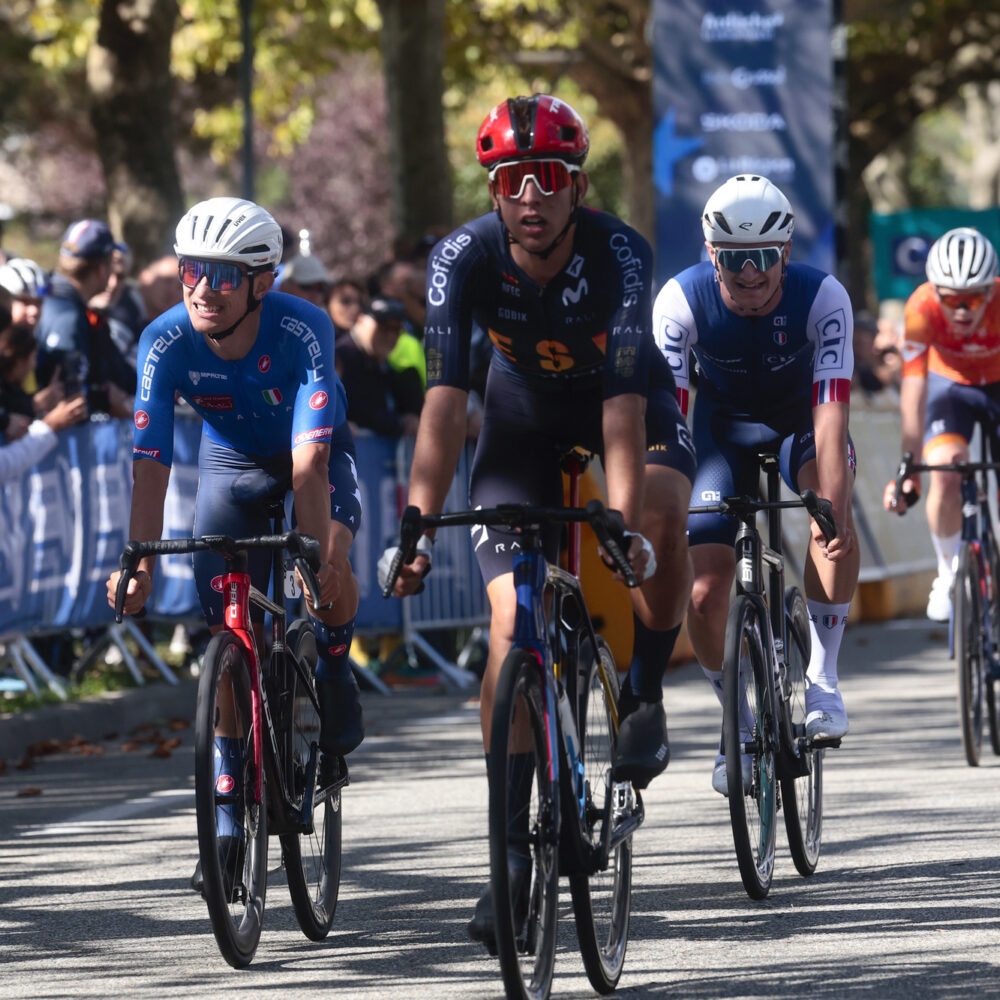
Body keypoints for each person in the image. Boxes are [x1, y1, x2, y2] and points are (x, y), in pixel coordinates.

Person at [378, 94, 696, 947]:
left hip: (618, 407)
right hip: (517, 423)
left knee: (664, 519)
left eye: (547, 178)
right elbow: (444, 407)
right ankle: (507, 858)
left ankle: (645, 689)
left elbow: (625, 413)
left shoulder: (621, 253)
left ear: (576, 187)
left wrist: (622, 528)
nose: (530, 195)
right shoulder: (461, 258)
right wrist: (416, 519)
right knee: (512, 626)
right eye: (512, 179)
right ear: (492, 193)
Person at [104, 196, 364, 889]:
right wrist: (136, 559)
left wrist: (312, 553)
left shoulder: (304, 328)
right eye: (191, 269)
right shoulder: (162, 340)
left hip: (312, 454)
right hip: (233, 465)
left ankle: (336, 668)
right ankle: (226, 811)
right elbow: (149, 463)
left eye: (221, 276)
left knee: (330, 557)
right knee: (226, 621)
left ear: (261, 283)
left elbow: (309, 468)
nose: (200, 288)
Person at [653, 174, 857, 796]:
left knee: (831, 512)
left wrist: (834, 510)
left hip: (800, 421)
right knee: (706, 587)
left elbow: (830, 412)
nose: (750, 274)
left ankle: (822, 676)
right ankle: (735, 722)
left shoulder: (823, 297)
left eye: (764, 258)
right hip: (720, 432)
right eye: (736, 259)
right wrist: (661, 512)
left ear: (786, 252)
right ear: (712, 254)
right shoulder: (679, 301)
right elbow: (667, 420)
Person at [881, 227, 1000, 621]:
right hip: (949, 387)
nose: (963, 310)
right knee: (946, 471)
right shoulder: (921, 308)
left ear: (990, 290)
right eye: (952, 299)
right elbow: (913, 389)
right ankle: (948, 571)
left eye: (974, 298)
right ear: (936, 293)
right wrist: (909, 466)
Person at [35, 219, 135, 418]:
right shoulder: (66, 315)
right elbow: (67, 397)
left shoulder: (52, 298)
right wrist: (105, 400)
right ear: (101, 270)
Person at [334, 296, 423, 437]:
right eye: (383, 327)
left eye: (396, 329)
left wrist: (409, 418)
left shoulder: (383, 364)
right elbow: (361, 412)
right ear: (361, 321)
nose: (390, 335)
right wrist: (398, 424)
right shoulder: (340, 359)